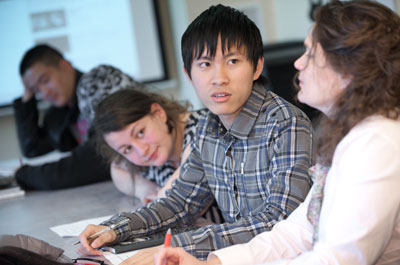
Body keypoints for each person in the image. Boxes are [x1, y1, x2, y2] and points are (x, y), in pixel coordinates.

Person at [155, 1, 400, 264]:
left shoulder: (377, 142)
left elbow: (336, 260)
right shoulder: (353, 135)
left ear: (349, 69)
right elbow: (297, 232)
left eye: (310, 54)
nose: (298, 63)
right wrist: (213, 263)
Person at [78, 4, 314, 263]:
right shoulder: (208, 128)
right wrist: (114, 229)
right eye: (205, 64)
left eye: (233, 61)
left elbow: (279, 223)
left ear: (257, 67)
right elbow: (179, 204)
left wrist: (176, 246)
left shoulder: (286, 123)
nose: (218, 78)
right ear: (189, 75)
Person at [12, 44, 143, 190]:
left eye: (45, 80)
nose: (44, 93)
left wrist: (23, 175)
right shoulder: (59, 113)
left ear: (65, 65)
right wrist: (26, 99)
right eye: (36, 90)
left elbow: (96, 159)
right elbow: (32, 148)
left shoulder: (101, 85)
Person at [92, 89, 210, 205]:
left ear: (159, 113)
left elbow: (178, 197)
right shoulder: (157, 152)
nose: (142, 151)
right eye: (127, 149)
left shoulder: (205, 129)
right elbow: (116, 168)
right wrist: (143, 189)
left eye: (140, 132)